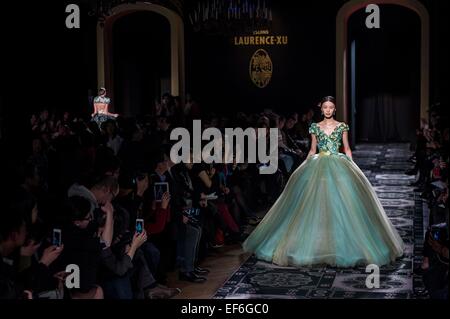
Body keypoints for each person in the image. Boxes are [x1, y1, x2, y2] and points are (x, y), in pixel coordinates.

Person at [242, 96, 405, 267]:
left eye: (331, 107)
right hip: (318, 163)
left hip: (338, 163)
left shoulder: (341, 126)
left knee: (342, 203)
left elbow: (347, 148)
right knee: (314, 202)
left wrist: (352, 167)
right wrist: (304, 167)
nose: (328, 110)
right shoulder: (315, 127)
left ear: (334, 109)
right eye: (325, 107)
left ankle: (341, 243)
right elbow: (313, 150)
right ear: (322, 109)